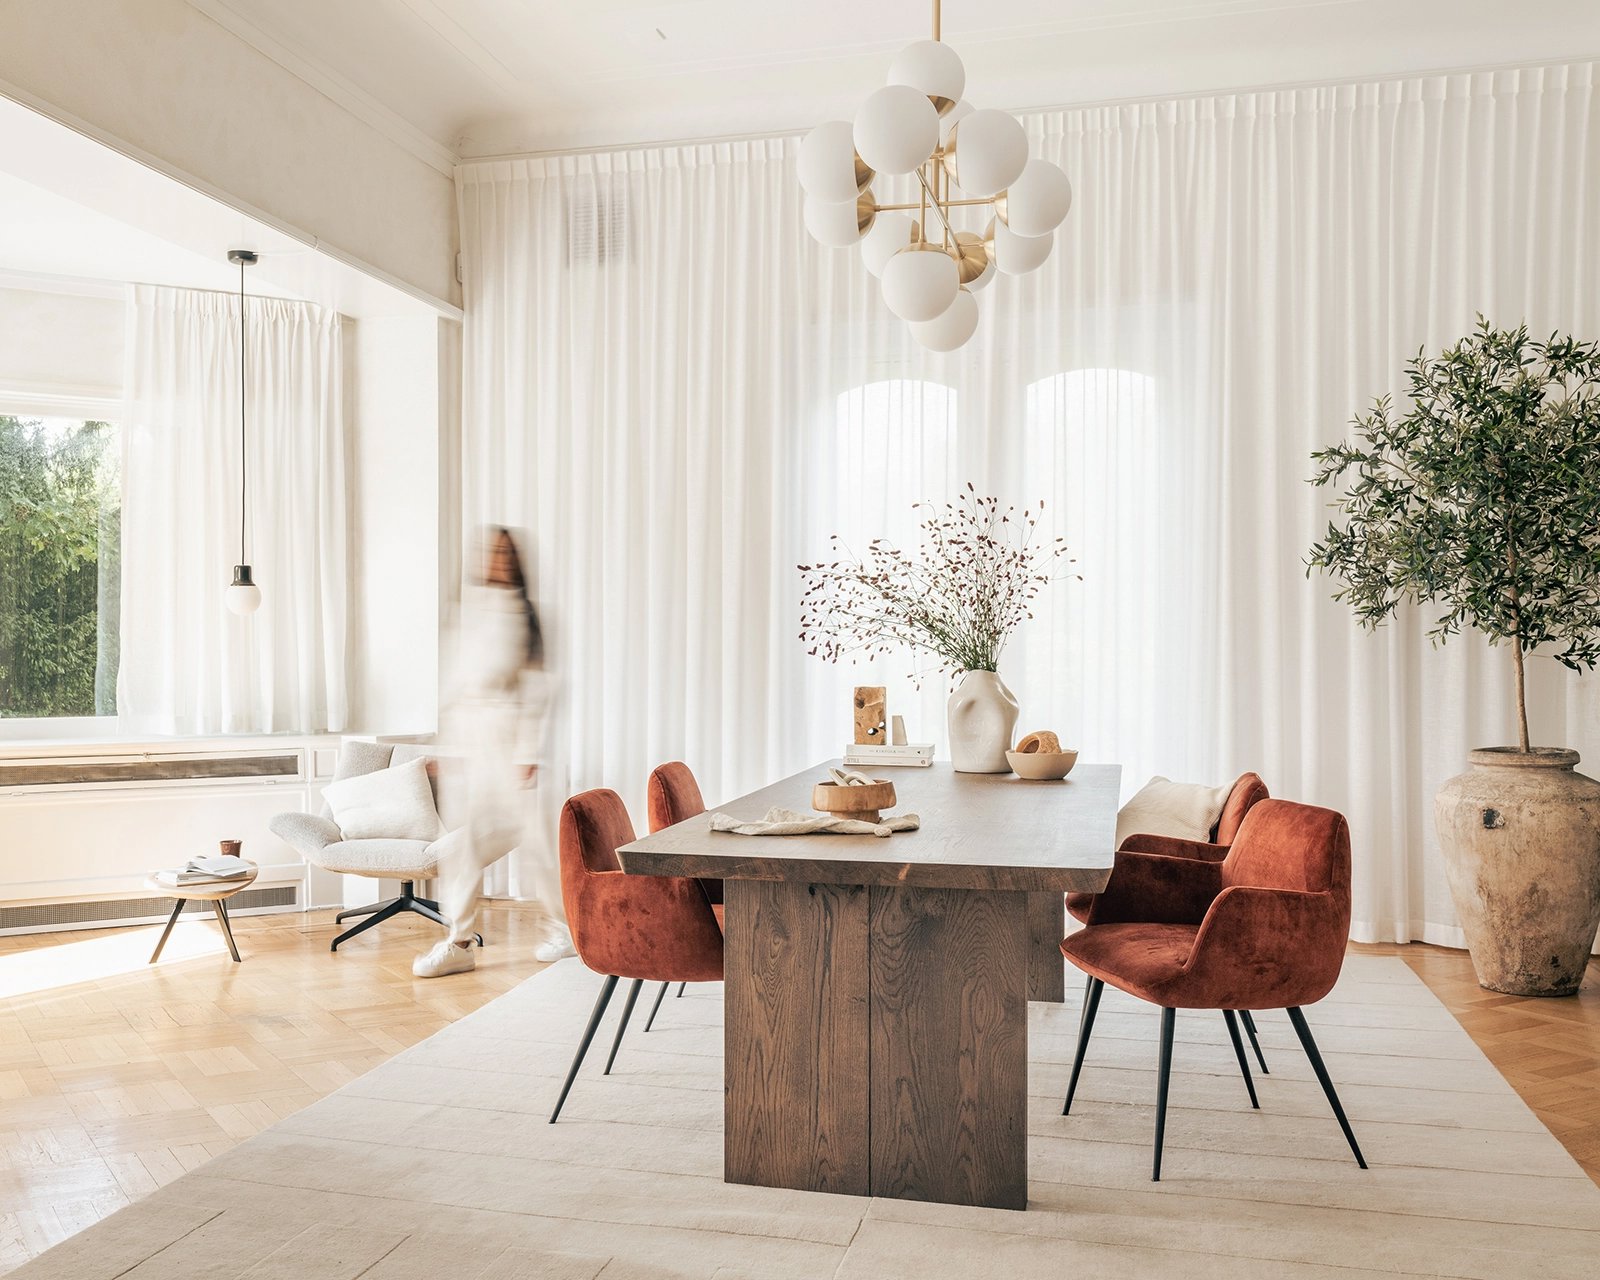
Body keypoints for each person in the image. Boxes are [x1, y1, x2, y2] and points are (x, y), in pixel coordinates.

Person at [413, 528, 574, 978]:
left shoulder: (528, 615)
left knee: (539, 844)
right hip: (474, 744)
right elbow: (453, 686)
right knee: (461, 847)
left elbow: (541, 688)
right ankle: (458, 941)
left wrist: (529, 752)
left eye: (506, 553)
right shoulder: (468, 612)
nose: (497, 560)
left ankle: (567, 930)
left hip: (513, 742)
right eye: (491, 552)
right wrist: (447, 748)